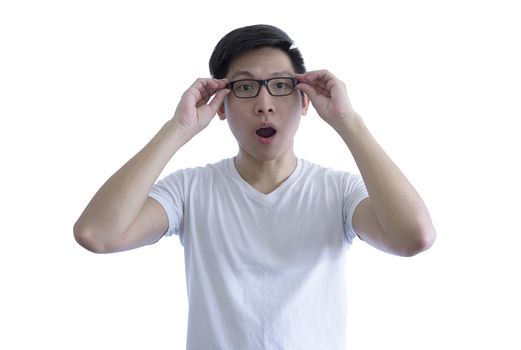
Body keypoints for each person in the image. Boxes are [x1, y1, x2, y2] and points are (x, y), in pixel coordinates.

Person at [74, 24, 436, 350]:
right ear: (220, 105)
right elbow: (97, 234)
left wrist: (348, 122)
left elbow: (414, 237)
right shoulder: (191, 190)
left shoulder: (338, 192)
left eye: (280, 86)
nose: (264, 105)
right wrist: (178, 128)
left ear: (304, 99)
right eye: (245, 87)